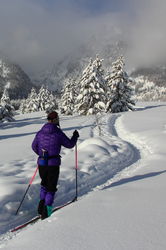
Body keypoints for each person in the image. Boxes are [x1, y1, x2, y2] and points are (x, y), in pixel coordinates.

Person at [32, 111, 79, 219]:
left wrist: (41, 154)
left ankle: (41, 206)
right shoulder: (58, 133)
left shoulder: (40, 132)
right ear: (55, 120)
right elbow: (70, 144)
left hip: (42, 163)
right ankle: (47, 211)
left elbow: (34, 146)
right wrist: (75, 136)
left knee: (44, 184)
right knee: (51, 187)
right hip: (53, 164)